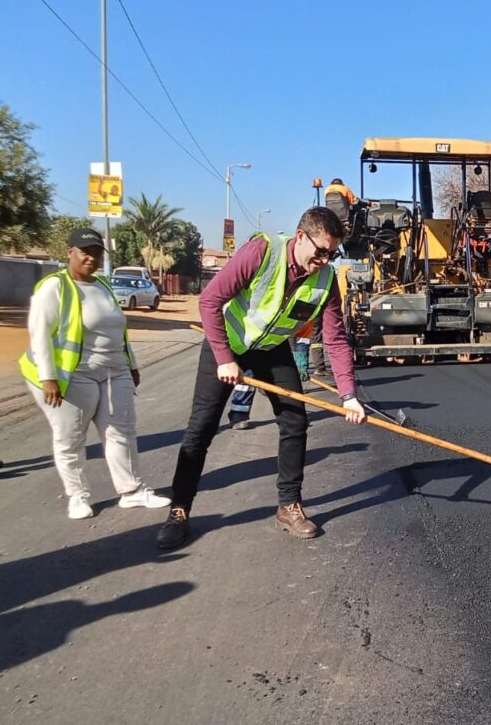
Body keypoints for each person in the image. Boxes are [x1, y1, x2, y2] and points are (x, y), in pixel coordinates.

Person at [157, 207, 366, 549]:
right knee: (201, 429)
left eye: (332, 254)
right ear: (301, 236)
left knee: (295, 420)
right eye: (320, 251)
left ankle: (289, 505)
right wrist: (225, 359)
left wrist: (348, 394)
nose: (325, 261)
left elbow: (336, 338)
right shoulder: (261, 252)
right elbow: (210, 301)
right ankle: (179, 510)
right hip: (228, 342)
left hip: (271, 348)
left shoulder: (327, 280)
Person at [20, 228, 170, 519]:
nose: (91, 258)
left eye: (97, 253)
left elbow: (118, 331)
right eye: (85, 252)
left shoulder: (102, 284)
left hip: (115, 371)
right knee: (71, 437)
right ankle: (77, 495)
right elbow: (39, 335)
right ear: (70, 252)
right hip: (73, 375)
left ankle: (132, 491)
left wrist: (132, 364)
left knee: (121, 432)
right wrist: (48, 377)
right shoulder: (56, 287)